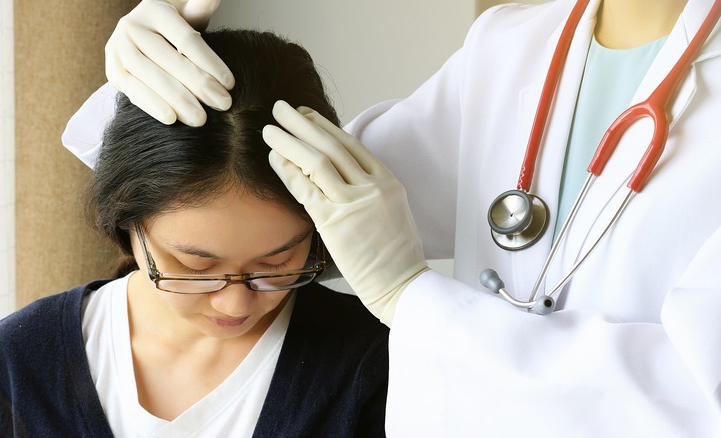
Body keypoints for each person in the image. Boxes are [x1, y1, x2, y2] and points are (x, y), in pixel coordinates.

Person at [63, 0, 721, 436]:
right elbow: (269, 200)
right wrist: (147, 90)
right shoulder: (516, 43)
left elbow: (699, 398)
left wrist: (413, 299)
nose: (233, 294)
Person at [0, 28, 389, 437]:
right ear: (126, 223)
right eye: (195, 266)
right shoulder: (21, 359)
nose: (234, 302)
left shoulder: (372, 363)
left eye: (277, 262)